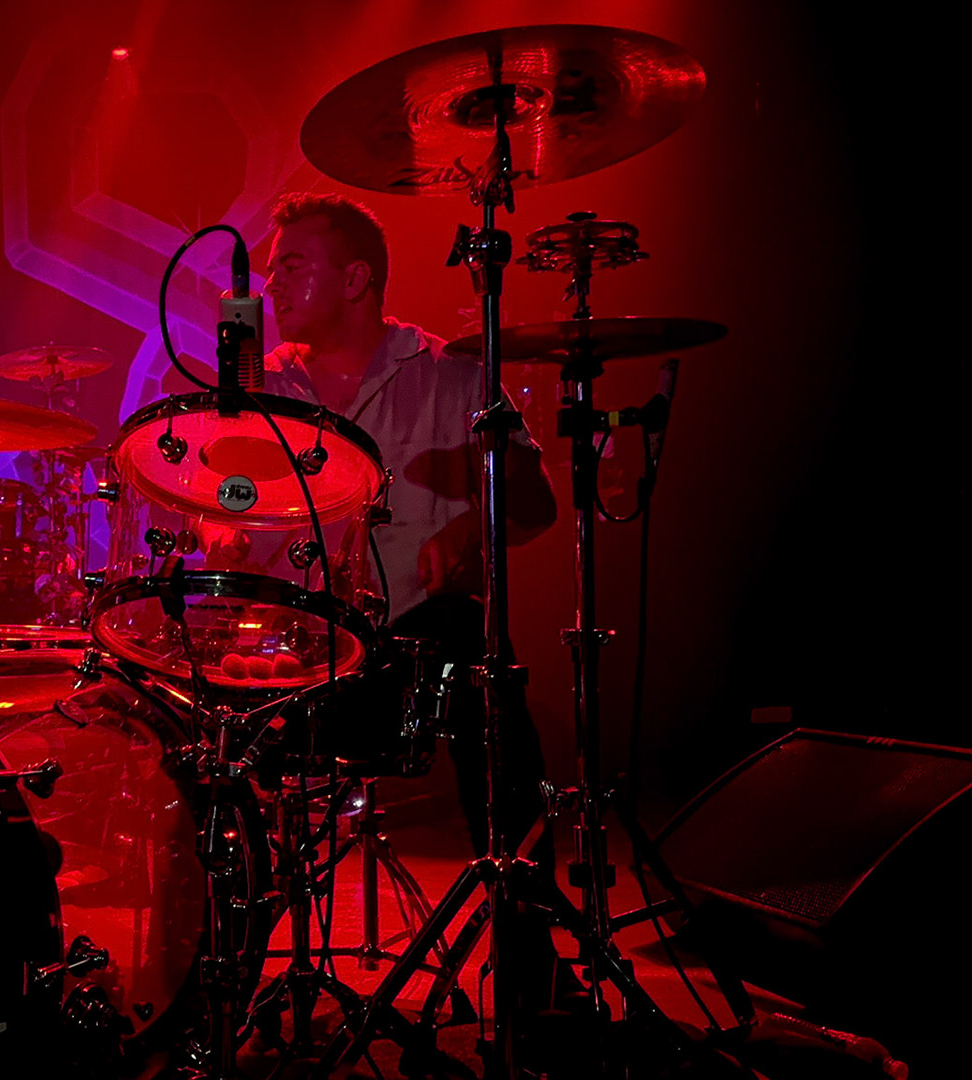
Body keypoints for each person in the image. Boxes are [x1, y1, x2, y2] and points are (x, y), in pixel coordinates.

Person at [260, 191, 571, 1008]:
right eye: (270, 268)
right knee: (211, 736)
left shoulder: (452, 372)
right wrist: (219, 523)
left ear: (356, 278)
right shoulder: (265, 386)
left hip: (418, 647)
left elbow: (537, 505)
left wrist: (470, 527)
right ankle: (215, 972)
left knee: (488, 676)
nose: (271, 282)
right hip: (296, 648)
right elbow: (225, 497)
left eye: (292, 265)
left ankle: (532, 973)